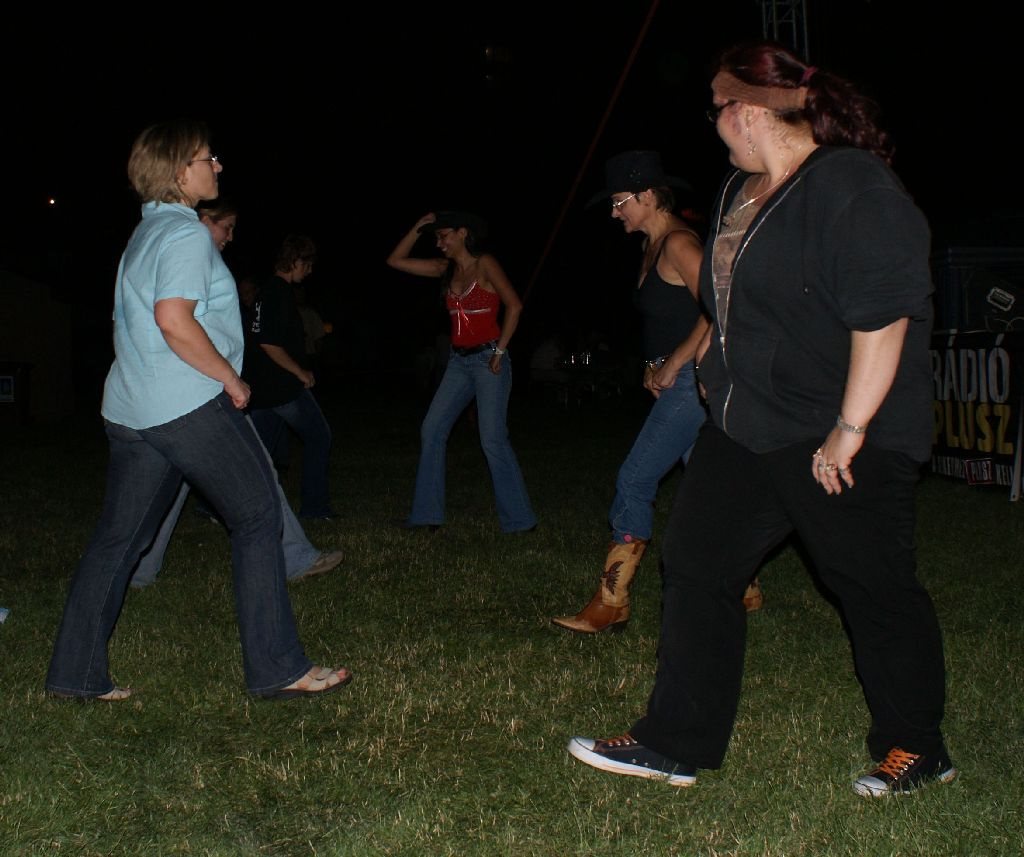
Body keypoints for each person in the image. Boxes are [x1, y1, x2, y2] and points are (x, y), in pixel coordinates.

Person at [567, 41, 954, 797]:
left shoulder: (849, 184)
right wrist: (706, 367)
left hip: (841, 427)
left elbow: (886, 313)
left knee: (869, 582)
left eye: (716, 112)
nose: (713, 126)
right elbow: (731, 303)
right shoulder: (736, 192)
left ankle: (917, 744)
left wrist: (849, 428)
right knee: (700, 564)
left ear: (747, 111)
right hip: (747, 427)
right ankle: (676, 740)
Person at [45, 119, 349, 701]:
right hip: (184, 404)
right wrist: (231, 379)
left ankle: (75, 676)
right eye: (209, 157)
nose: (218, 166)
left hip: (134, 409)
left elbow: (132, 322)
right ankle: (279, 669)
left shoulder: (146, 234)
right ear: (180, 170)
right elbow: (172, 320)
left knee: (118, 541)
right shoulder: (185, 235)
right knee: (259, 516)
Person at [551, 151, 761, 634]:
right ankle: (745, 584)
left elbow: (720, 308)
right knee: (708, 489)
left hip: (692, 382)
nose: (614, 211)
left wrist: (675, 363)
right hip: (675, 382)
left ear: (647, 194)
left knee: (634, 480)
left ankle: (612, 604)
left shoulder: (681, 244)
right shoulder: (652, 245)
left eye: (620, 201)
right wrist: (653, 366)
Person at [129, 201, 344, 590]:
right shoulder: (187, 247)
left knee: (173, 484)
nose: (230, 236)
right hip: (204, 393)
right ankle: (294, 555)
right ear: (202, 222)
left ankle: (139, 571)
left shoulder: (163, 246)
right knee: (259, 473)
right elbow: (177, 324)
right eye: (225, 227)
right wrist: (229, 376)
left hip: (188, 395)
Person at [387, 210, 536, 534]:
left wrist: (500, 350)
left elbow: (515, 305)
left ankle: (520, 521)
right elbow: (395, 261)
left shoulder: (485, 264)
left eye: (443, 235)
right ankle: (426, 516)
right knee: (432, 429)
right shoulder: (444, 270)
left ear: (463, 233)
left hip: (488, 360)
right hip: (458, 362)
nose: (439, 243)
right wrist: (416, 227)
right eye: (436, 237)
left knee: (492, 439)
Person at [245, 235, 335, 519]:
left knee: (257, 455)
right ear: (295, 261)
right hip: (282, 387)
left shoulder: (265, 293)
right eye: (307, 265)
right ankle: (315, 509)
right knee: (320, 437)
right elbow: (268, 342)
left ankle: (215, 506)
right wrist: (300, 372)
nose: (309, 271)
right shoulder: (278, 292)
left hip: (264, 390)